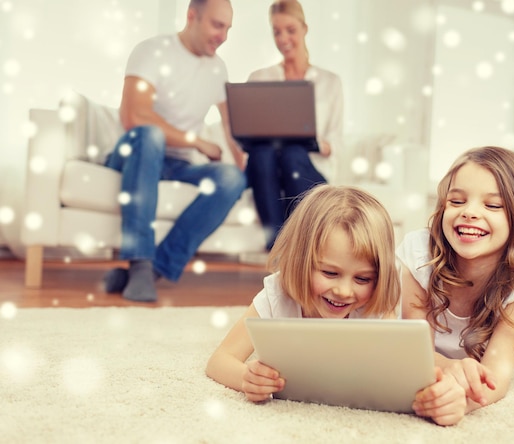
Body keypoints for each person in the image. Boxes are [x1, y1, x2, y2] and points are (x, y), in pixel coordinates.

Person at [205, 185, 466, 426]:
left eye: (363, 278)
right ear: (299, 261)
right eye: (329, 273)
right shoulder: (278, 294)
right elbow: (219, 361)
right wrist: (246, 378)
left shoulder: (376, 305)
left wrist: (445, 397)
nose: (344, 291)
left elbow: (405, 377)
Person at [397, 146, 514, 422]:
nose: (469, 213)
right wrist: (451, 368)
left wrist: (461, 404)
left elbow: (496, 373)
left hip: (483, 364)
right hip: (433, 356)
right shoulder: (420, 254)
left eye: (493, 205)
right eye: (457, 201)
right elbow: (418, 354)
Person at [102, 0, 247, 302]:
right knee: (151, 136)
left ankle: (152, 270)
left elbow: (232, 127)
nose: (223, 36)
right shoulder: (152, 51)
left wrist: (245, 166)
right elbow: (134, 117)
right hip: (134, 154)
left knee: (231, 179)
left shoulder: (218, 68)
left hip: (178, 165)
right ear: (192, 16)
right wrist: (196, 140)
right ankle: (140, 262)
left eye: (228, 28)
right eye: (217, 25)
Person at [244, 0, 344, 251]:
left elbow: (337, 142)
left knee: (292, 153)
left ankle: (297, 244)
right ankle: (277, 249)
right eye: (276, 31)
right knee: (263, 152)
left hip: (307, 164)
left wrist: (314, 142)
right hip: (266, 165)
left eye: (290, 30)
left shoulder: (329, 82)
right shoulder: (260, 78)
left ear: (304, 29)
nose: (283, 38)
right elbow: (248, 131)